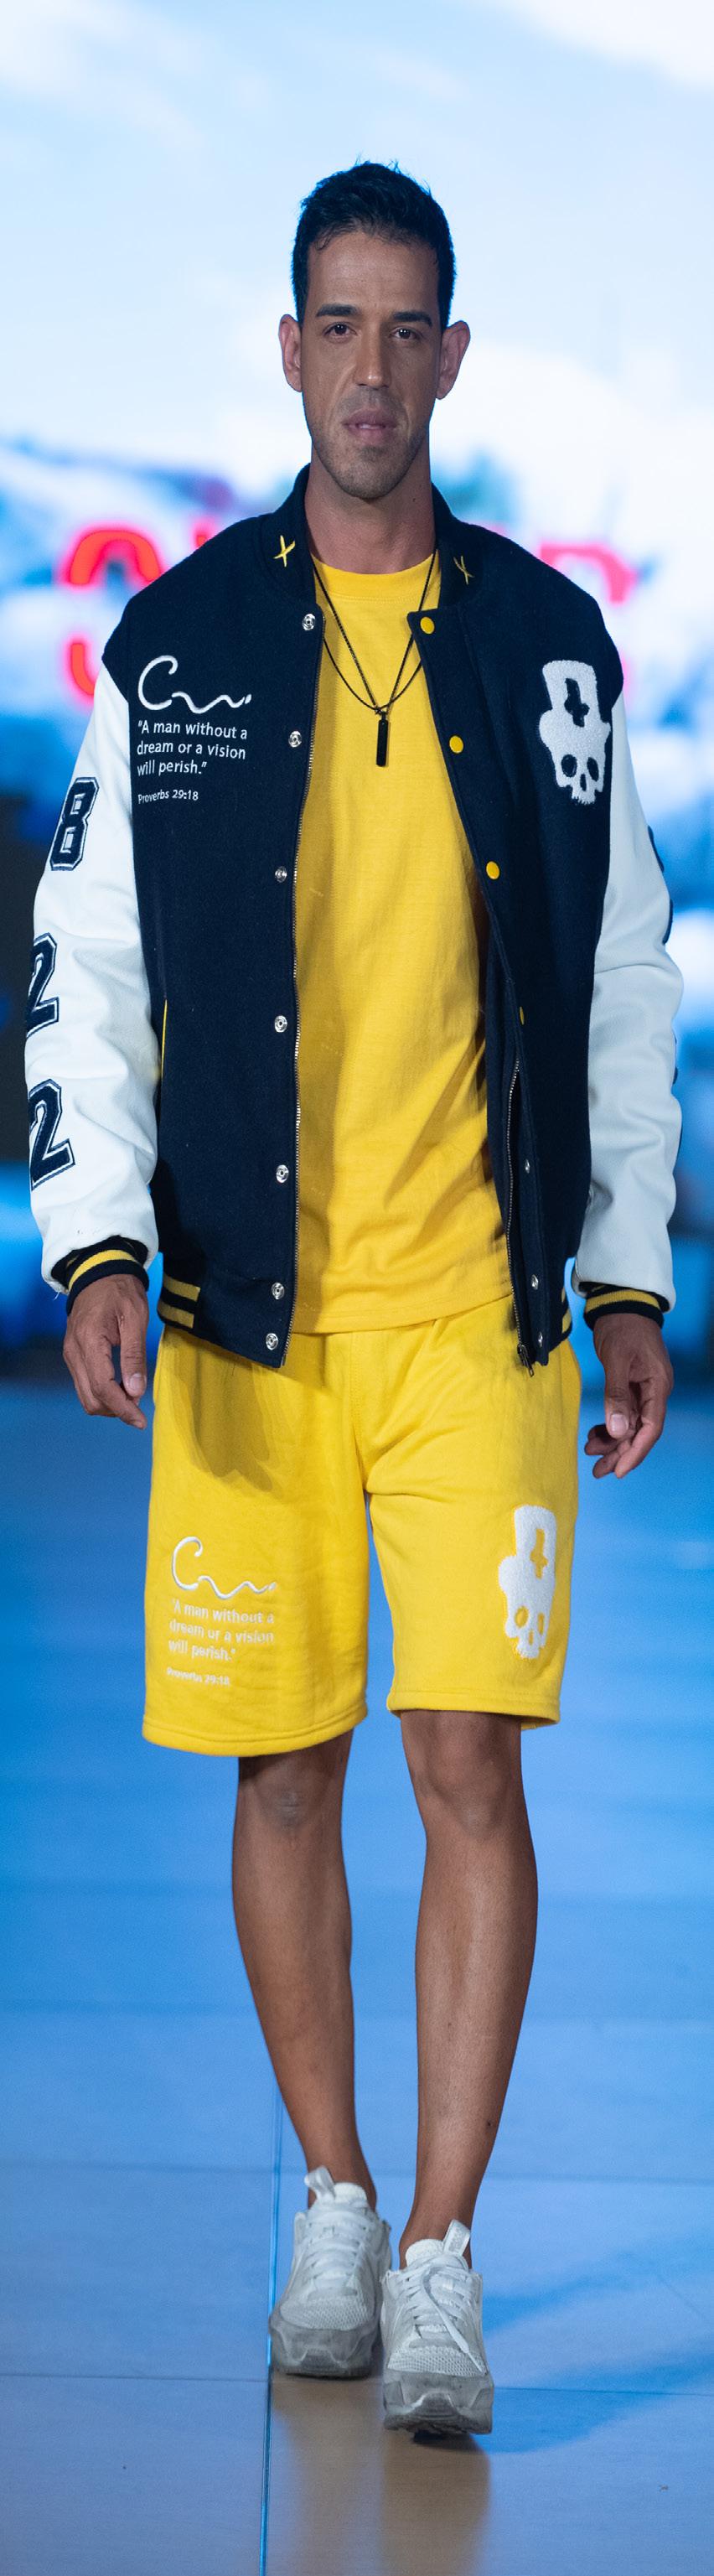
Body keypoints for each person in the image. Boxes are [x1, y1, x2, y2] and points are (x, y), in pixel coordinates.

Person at [26, 160, 681, 2439]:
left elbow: (620, 974)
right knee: (283, 1765)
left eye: (411, 329)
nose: (374, 370)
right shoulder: (181, 646)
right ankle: (328, 2187)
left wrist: (623, 1271)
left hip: (480, 1316)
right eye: (340, 326)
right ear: (290, 350)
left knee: (465, 1761)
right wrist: (98, 1237)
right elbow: (91, 961)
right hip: (246, 1315)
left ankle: (438, 2253)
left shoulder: (549, 650)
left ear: (452, 357)